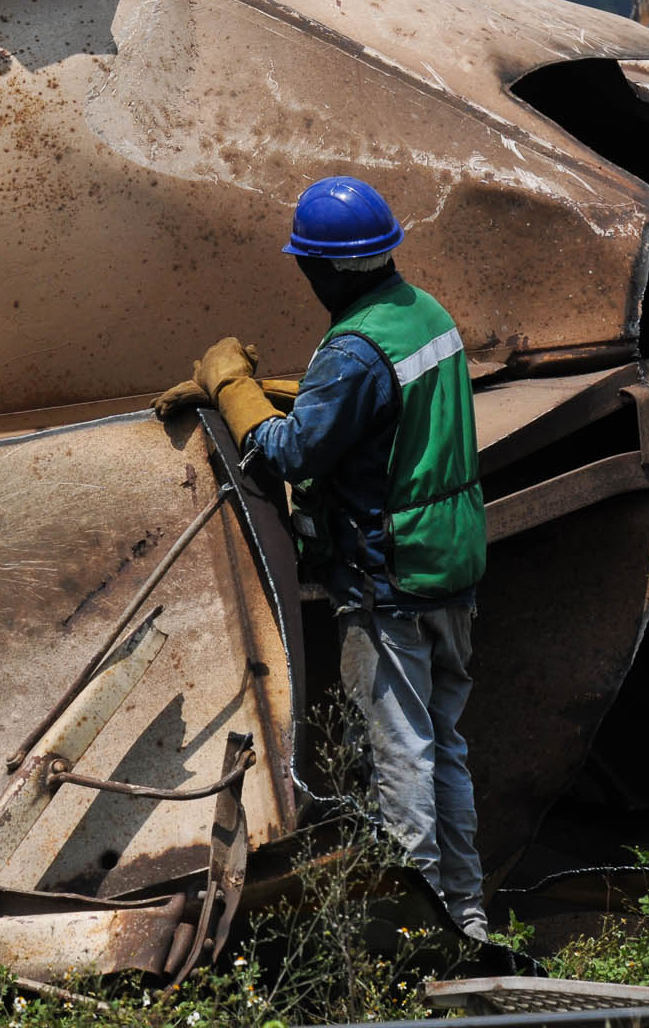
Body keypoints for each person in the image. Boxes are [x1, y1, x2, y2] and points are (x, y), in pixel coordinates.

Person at [161, 175, 488, 938]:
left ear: (326, 268)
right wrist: (296, 388)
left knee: (400, 760)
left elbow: (293, 452)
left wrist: (238, 390)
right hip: (451, 568)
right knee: (445, 749)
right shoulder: (423, 312)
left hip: (390, 579)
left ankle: (424, 935)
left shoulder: (352, 348)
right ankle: (468, 918)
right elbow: (380, 405)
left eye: (305, 261)